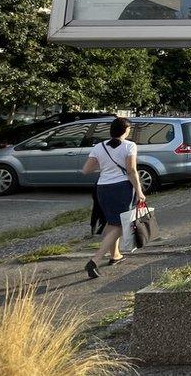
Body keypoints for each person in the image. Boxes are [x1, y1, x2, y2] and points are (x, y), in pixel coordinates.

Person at [81, 118, 145, 279]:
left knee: (112, 222)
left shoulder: (99, 147)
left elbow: (86, 170)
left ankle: (115, 255)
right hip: (121, 188)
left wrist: (105, 165)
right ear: (126, 130)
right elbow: (131, 171)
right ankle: (94, 260)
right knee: (119, 225)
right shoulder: (129, 146)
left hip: (102, 188)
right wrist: (139, 191)